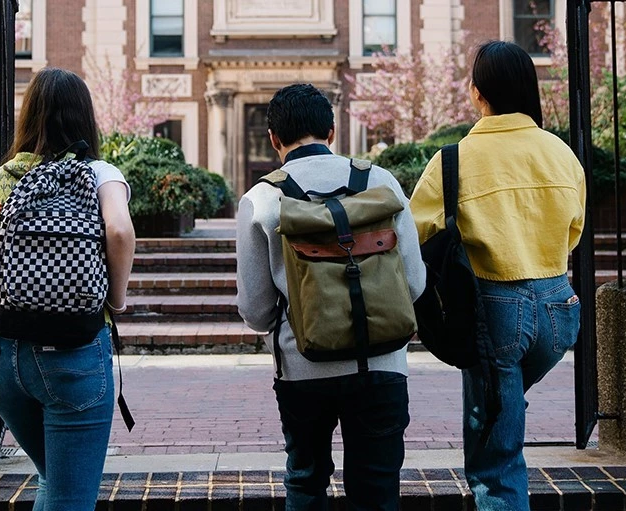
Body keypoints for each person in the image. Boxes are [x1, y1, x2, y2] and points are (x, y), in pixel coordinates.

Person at [409, 41, 586, 511]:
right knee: (503, 410)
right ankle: (505, 412)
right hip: (560, 307)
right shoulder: (561, 154)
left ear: (476, 92)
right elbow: (575, 230)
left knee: (497, 463)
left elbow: (413, 235)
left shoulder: (453, 160)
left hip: (494, 311)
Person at [236, 83, 426, 510]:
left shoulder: (262, 199)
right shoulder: (381, 182)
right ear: (333, 131)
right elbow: (413, 284)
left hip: (303, 369)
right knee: (377, 490)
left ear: (273, 139)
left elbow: (256, 311)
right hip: (382, 363)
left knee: (305, 486)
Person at [0, 67, 136, 510]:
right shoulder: (98, 173)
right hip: (72, 356)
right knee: (69, 496)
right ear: (84, 118)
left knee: (53, 483)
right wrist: (114, 298)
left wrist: (12, 325)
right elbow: (118, 231)